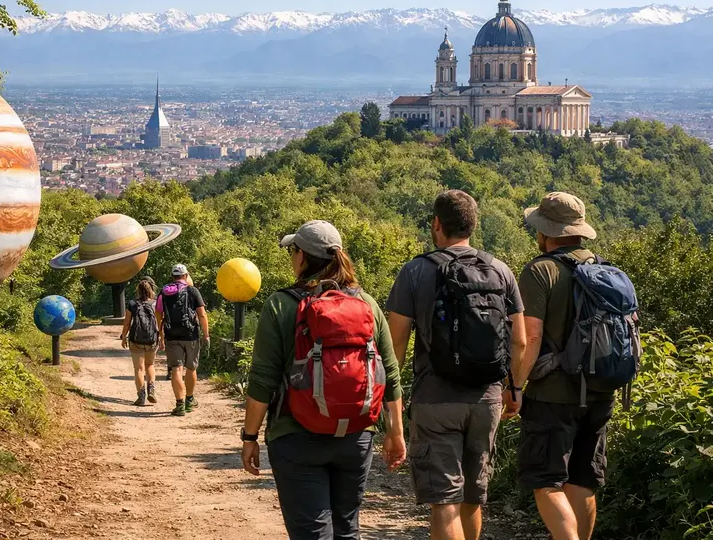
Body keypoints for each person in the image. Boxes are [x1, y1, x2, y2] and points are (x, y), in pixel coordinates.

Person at [241, 220, 407, 540]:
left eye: (293, 251)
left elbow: (262, 380)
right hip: (355, 435)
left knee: (312, 534)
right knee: (347, 530)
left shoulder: (281, 304)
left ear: (302, 257)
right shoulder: (367, 304)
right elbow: (390, 372)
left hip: (296, 436)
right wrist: (396, 433)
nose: (292, 258)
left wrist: (250, 436)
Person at [386, 190, 526, 540]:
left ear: (436, 225)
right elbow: (520, 340)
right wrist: (515, 388)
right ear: (473, 226)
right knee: (471, 500)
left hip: (435, 401)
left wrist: (391, 405)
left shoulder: (416, 271)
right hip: (487, 399)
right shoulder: (500, 270)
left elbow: (395, 346)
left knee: (444, 504)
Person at [515, 193, 623, 540]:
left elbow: (530, 340)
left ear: (544, 233)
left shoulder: (540, 271)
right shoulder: (605, 269)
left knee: (546, 481)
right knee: (582, 481)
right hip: (601, 392)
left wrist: (515, 386)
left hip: (554, 395)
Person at [156, 264, 209, 417]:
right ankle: (189, 400)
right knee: (191, 368)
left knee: (176, 369)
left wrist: (161, 336)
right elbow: (202, 314)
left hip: (171, 334)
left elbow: (158, 314)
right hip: (191, 334)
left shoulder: (164, 292)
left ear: (172, 277)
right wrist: (206, 334)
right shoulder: (192, 291)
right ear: (186, 276)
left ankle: (179, 405)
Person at [120, 278, 160, 406]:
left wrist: (124, 337)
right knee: (150, 365)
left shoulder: (132, 304)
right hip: (152, 339)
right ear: (151, 290)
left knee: (138, 368)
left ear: (138, 290)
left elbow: (127, 323)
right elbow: (160, 323)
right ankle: (151, 389)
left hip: (136, 340)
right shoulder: (155, 304)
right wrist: (162, 338)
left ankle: (141, 396)